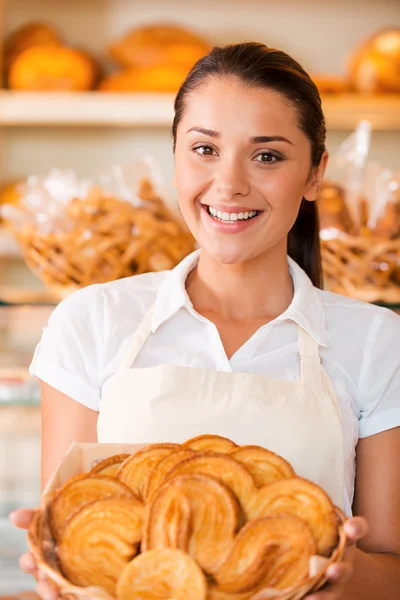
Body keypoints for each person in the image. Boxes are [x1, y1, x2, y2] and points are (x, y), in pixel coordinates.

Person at [10, 42, 400, 600]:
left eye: (267, 156)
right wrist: (57, 570)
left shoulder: (377, 341)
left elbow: (393, 568)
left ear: (315, 176)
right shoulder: (92, 320)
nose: (230, 183)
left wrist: (348, 576)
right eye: (204, 149)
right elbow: (72, 540)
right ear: (175, 158)